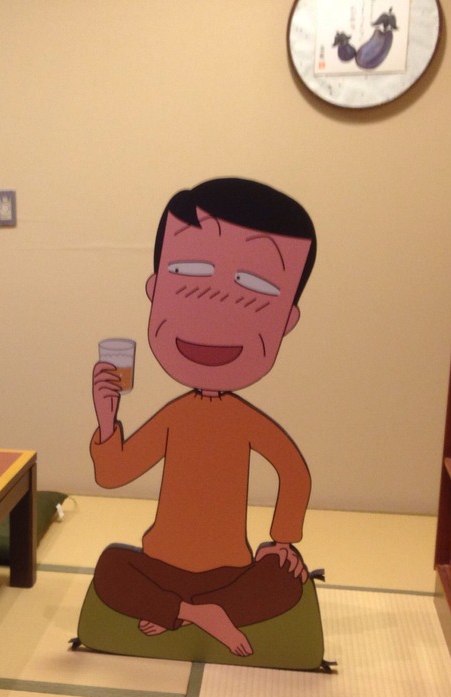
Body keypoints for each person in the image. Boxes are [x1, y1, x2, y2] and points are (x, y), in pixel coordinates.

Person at [90, 177, 316, 657]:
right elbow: (114, 474)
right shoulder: (176, 416)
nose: (219, 303)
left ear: (287, 320)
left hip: (228, 572)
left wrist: (282, 540)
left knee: (284, 579)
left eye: (256, 285)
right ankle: (199, 613)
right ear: (156, 289)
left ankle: (176, 610)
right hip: (160, 564)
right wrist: (108, 421)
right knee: (111, 568)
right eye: (190, 270)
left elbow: (293, 471)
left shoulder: (245, 420)